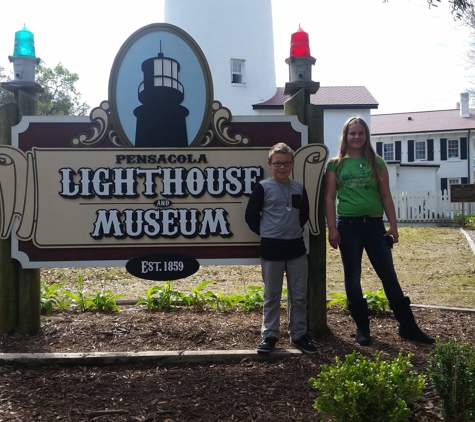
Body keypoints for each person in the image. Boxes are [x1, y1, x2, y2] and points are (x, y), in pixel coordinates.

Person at [324, 117, 435, 346]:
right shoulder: (335, 164)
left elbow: (385, 195)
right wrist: (332, 228)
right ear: (345, 136)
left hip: (375, 227)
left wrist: (393, 225)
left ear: (367, 136)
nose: (356, 137)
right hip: (348, 226)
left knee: (389, 276)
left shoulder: (377, 163)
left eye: (361, 133)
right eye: (352, 133)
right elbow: (329, 197)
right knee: (352, 277)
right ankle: (362, 328)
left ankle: (408, 326)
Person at [245, 142, 317, 354]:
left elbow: (303, 215)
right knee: (272, 295)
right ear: (270, 164)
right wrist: (268, 232)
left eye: (286, 163)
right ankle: (270, 336)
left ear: (293, 164)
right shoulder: (263, 187)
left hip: (296, 248)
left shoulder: (299, 188)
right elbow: (250, 217)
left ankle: (299, 335)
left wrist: (289, 230)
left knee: (299, 294)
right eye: (277, 163)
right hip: (271, 248)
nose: (282, 167)